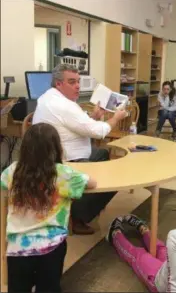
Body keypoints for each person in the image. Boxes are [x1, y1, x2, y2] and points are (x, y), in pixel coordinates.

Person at [1, 123, 96, 293]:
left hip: (17, 249)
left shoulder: (12, 171)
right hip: (51, 247)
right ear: (56, 148)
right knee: (49, 288)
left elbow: (2, 185)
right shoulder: (63, 174)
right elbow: (92, 183)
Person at [33, 64, 125, 235]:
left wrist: (94, 117)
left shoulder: (48, 98)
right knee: (116, 178)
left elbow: (77, 124)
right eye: (72, 82)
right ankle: (79, 216)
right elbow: (99, 132)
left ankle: (85, 204)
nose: (77, 86)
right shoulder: (64, 105)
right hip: (66, 161)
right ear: (59, 84)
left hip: (52, 157)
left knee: (103, 154)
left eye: (78, 81)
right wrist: (115, 118)